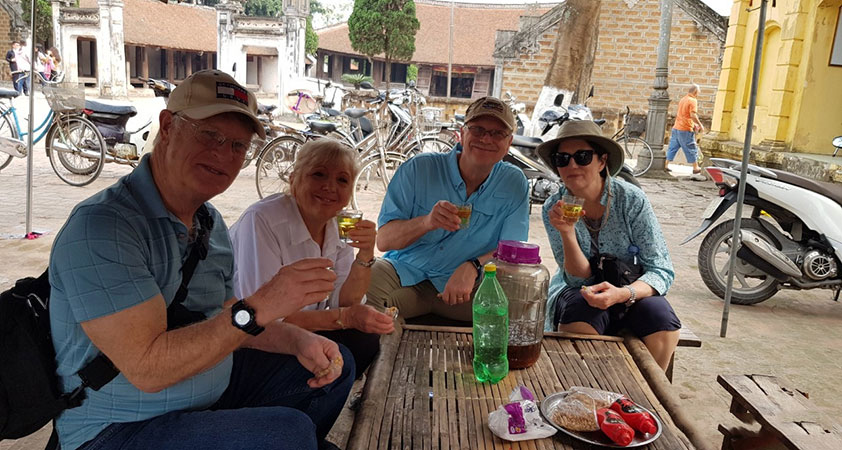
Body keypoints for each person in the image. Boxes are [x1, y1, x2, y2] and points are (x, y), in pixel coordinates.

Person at [48, 70, 354, 450]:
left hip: (204, 397)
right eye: (210, 135)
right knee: (287, 433)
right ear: (168, 126)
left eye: (238, 146)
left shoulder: (208, 221)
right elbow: (148, 368)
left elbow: (223, 314)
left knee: (334, 363)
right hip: (116, 428)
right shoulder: (103, 228)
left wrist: (295, 338)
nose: (224, 155)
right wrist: (261, 305)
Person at [229, 138, 394, 378]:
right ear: (294, 179)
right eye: (318, 174)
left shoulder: (338, 226)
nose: (330, 187)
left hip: (300, 327)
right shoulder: (263, 221)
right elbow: (264, 319)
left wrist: (366, 254)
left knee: (365, 340)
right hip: (252, 338)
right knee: (341, 356)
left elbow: (345, 301)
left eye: (342, 180)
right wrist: (345, 318)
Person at [366, 96, 529, 322]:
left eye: (497, 133)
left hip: (467, 291)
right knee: (364, 284)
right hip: (406, 272)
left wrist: (474, 266)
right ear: (462, 134)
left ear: (509, 142)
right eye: (478, 129)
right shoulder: (419, 169)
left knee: (524, 295)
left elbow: (513, 251)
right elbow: (383, 241)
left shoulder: (513, 182)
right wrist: (427, 222)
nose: (485, 139)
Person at [537, 120, 680, 371]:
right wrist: (568, 233)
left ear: (602, 161)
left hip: (629, 287)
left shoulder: (630, 200)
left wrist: (623, 294)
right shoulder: (554, 207)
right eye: (562, 159)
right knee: (580, 308)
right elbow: (576, 279)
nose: (572, 165)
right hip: (581, 290)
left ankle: (643, 397)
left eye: (582, 157)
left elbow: (661, 269)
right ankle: (585, 389)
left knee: (659, 315)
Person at [665, 84, 704, 174]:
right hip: (685, 128)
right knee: (691, 147)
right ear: (695, 92)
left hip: (676, 127)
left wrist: (694, 124)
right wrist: (699, 124)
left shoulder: (683, 99)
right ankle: (695, 167)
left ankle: (665, 164)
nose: (698, 94)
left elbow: (684, 114)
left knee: (672, 147)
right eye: (698, 93)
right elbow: (692, 115)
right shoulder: (693, 100)